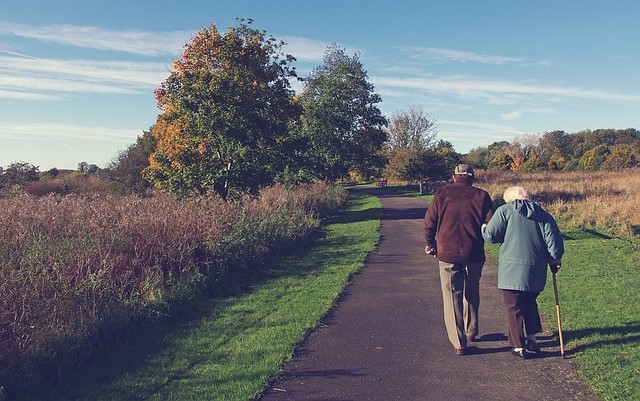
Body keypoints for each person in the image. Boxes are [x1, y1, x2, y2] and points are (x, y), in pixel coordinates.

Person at [481, 186, 564, 359]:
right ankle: (532, 338)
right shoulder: (543, 214)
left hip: (511, 270)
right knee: (529, 302)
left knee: (513, 306)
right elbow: (553, 242)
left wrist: (483, 227)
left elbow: (491, 236)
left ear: (509, 199)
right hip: (536, 269)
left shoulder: (505, 211)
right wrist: (555, 259)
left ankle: (518, 346)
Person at [424, 164, 494, 355]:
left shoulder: (441, 194)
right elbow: (491, 224)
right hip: (474, 252)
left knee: (451, 295)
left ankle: (459, 342)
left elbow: (430, 222)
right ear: (472, 178)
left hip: (447, 251)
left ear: (454, 177)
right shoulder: (482, 196)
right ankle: (471, 330)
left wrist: (430, 244)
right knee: (472, 290)